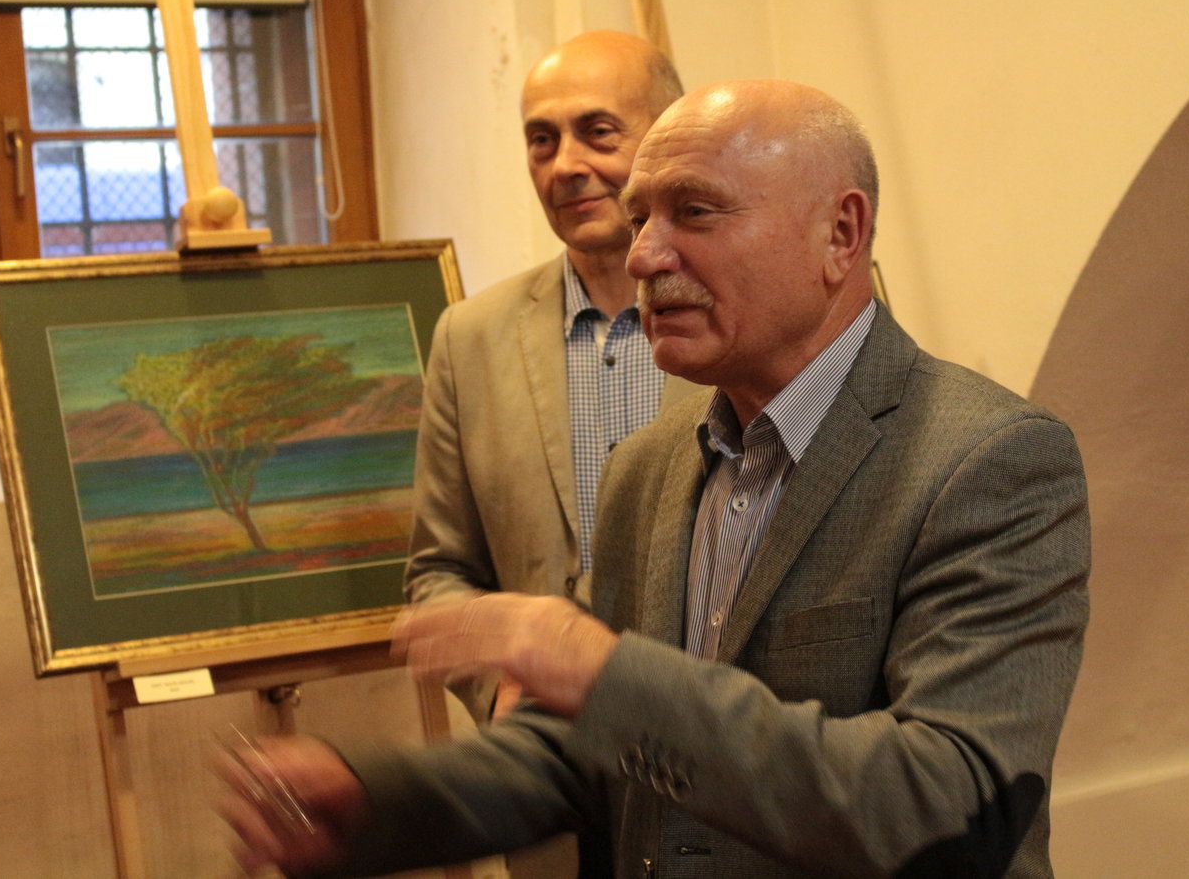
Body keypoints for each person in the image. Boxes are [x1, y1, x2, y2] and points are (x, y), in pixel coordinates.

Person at [219, 80, 1091, 878]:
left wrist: (602, 671)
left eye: (693, 212)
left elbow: (946, 803)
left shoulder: (990, 461)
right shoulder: (650, 465)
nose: (642, 256)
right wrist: (372, 803)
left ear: (840, 233)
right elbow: (578, 751)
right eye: (641, 218)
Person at [404, 29, 693, 723]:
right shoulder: (470, 339)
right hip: (545, 754)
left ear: (668, 138)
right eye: (542, 140)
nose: (565, 165)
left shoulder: (742, 319)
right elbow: (440, 572)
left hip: (713, 745)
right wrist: (499, 683)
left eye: (598, 132)